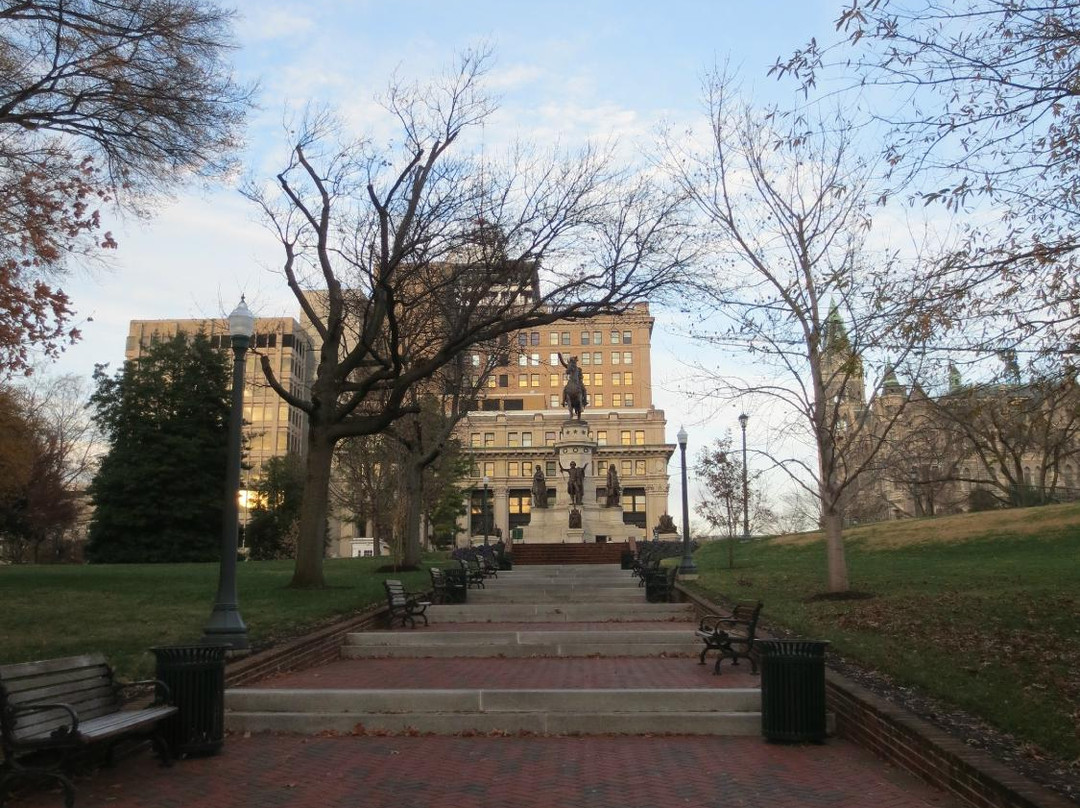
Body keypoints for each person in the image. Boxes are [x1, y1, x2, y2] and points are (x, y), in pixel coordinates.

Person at [558, 353, 587, 420]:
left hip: (578, 382)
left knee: (584, 389)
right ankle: (563, 401)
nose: (573, 363)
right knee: (565, 389)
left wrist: (580, 379)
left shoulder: (579, 369)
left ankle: (584, 401)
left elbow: (581, 376)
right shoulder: (569, 366)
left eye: (573, 361)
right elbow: (563, 364)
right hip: (571, 381)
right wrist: (560, 357)